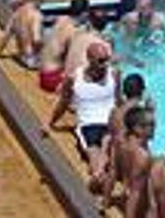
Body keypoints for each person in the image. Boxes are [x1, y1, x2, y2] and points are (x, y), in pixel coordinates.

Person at [49, 41, 121, 197]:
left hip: (111, 125)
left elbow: (118, 101)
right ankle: (98, 174)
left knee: (109, 143)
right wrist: (51, 123)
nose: (105, 64)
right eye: (101, 60)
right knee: (98, 163)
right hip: (88, 126)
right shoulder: (74, 78)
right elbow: (64, 102)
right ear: (90, 59)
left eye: (107, 59)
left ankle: (99, 172)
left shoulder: (114, 74)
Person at [106, 105, 155, 218]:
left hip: (126, 189)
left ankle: (105, 203)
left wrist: (106, 200)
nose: (154, 129)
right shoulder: (143, 156)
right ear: (137, 129)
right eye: (151, 125)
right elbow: (135, 193)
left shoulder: (120, 140)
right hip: (136, 201)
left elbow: (112, 171)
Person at [38, 0, 89, 93]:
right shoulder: (74, 32)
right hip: (53, 79)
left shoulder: (61, 19)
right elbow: (73, 61)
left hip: (42, 73)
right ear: (84, 13)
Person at [0, 0, 44, 69]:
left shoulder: (16, 14)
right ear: (37, 0)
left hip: (22, 57)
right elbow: (36, 39)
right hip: (33, 60)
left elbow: (6, 35)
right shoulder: (36, 15)